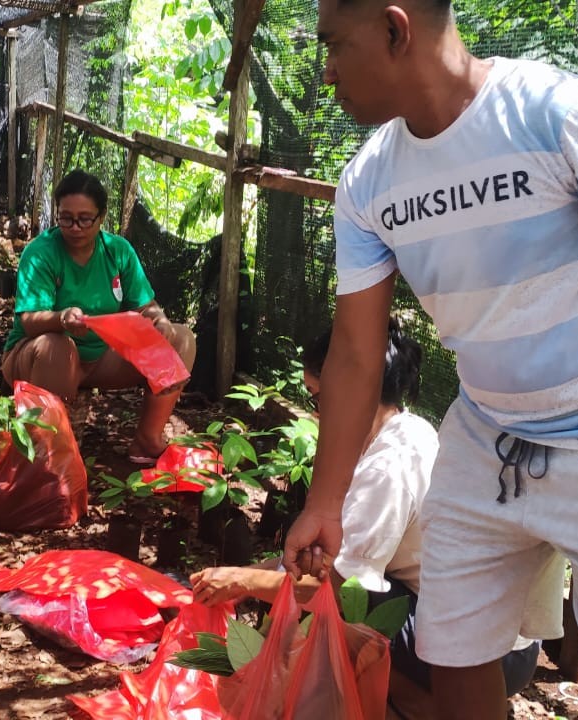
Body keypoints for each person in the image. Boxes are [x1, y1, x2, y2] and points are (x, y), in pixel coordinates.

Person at [281, 2, 578, 718]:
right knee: (453, 655)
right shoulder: (368, 183)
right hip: (484, 437)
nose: (324, 74)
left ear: (393, 28)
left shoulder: (550, 114)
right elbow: (354, 352)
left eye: (332, 46)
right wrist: (324, 504)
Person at [191, 320, 539, 717]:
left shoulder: (387, 468)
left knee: (338, 607)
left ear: (356, 392)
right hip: (494, 634)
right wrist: (244, 575)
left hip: (492, 658)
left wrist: (241, 580)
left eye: (318, 399)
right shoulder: (408, 429)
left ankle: (416, 704)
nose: (317, 414)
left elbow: (332, 586)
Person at [1, 170, 196, 463]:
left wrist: (159, 320)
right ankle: (50, 453)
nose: (74, 227)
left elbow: (146, 305)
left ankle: (148, 440)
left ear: (102, 216)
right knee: (57, 347)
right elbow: (28, 320)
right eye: (66, 218)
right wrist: (61, 319)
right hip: (39, 361)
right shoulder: (40, 253)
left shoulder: (118, 251)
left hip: (102, 358)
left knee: (181, 339)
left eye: (84, 219)